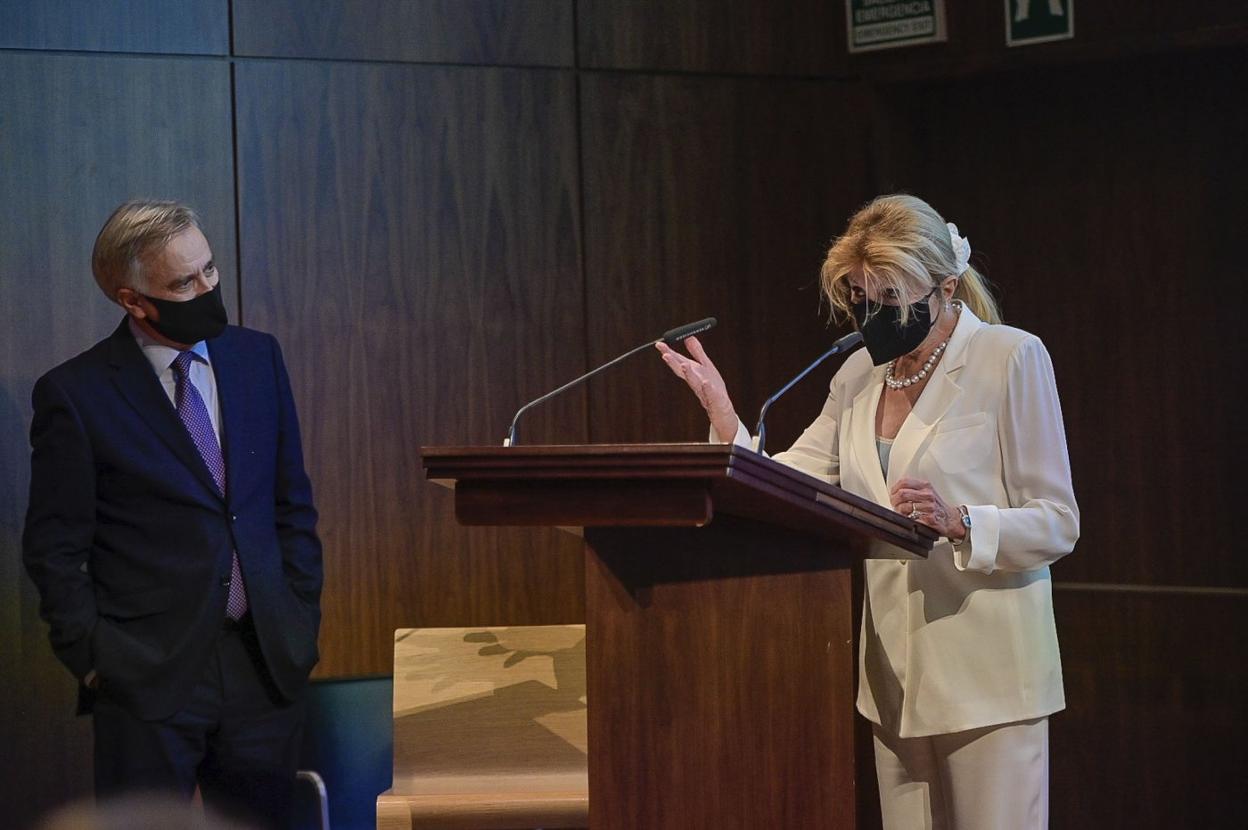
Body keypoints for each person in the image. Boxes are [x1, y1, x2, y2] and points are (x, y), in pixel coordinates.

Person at [657, 193, 1078, 829]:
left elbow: (1057, 520)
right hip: (893, 680)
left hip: (990, 678)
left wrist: (961, 520)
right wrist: (725, 417)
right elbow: (788, 482)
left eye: (888, 299)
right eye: (858, 297)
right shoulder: (858, 373)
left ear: (944, 286)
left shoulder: (1009, 357)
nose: (870, 314)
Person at [22, 200, 323, 829]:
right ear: (134, 301)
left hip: (263, 664)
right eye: (184, 283)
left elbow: (290, 504)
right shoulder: (76, 394)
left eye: (209, 270)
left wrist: (298, 614)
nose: (207, 288)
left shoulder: (256, 358)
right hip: (148, 677)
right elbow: (54, 546)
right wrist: (98, 661)